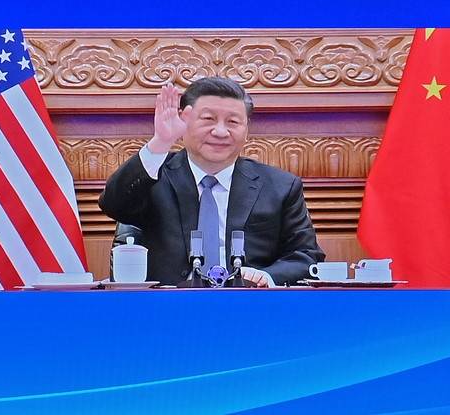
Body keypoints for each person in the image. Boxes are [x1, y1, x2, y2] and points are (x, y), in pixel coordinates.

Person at [98, 77, 323, 287]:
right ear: (183, 121)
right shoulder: (155, 175)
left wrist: (267, 277)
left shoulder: (280, 186)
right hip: (168, 307)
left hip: (250, 306)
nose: (221, 131)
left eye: (233, 122)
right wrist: (161, 142)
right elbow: (114, 204)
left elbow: (306, 256)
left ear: (247, 130)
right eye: (208, 119)